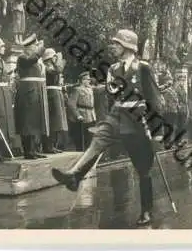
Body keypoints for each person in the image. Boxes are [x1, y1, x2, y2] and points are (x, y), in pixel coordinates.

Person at [51, 29, 165, 226]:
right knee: (97, 141)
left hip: (138, 119)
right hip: (116, 115)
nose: (113, 47)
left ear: (128, 46)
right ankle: (74, 175)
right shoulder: (112, 69)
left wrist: (157, 132)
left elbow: (154, 100)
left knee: (143, 167)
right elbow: (112, 95)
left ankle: (147, 210)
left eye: (117, 44)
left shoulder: (143, 68)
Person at [14, 34, 50, 159]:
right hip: (27, 93)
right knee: (27, 123)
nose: (36, 47)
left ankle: (34, 149)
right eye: (35, 45)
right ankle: (28, 151)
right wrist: (41, 49)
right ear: (29, 47)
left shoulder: (33, 58)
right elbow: (32, 59)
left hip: (35, 92)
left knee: (35, 121)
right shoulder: (22, 57)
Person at [43, 48, 67, 153]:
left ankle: (53, 145)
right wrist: (59, 61)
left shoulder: (52, 66)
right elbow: (58, 70)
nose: (55, 58)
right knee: (53, 121)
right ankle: (48, 146)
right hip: (51, 94)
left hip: (56, 93)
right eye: (54, 57)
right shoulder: (47, 67)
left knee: (57, 122)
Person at [68, 71, 97, 151]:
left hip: (91, 115)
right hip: (82, 116)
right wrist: (77, 115)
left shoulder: (90, 89)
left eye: (89, 79)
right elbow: (71, 104)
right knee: (81, 139)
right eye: (87, 79)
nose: (89, 81)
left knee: (90, 137)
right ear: (82, 80)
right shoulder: (77, 90)